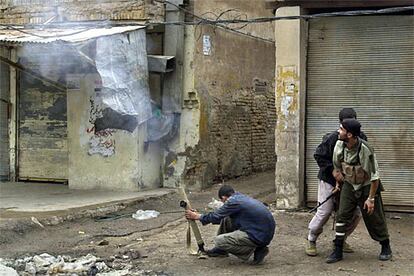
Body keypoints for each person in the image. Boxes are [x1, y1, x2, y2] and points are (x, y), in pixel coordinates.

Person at [327, 118, 392, 263]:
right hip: (349, 185)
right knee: (342, 215)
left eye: (341, 129)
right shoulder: (339, 145)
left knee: (374, 217)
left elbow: (375, 177)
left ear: (349, 134)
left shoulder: (365, 149)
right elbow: (337, 167)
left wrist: (371, 199)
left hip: (367, 186)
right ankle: (337, 250)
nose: (339, 131)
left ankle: (385, 245)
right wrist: (338, 181)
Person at [306, 108, 365, 256]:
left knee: (355, 213)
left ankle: (340, 240)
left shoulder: (362, 140)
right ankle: (311, 239)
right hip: (328, 180)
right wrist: (333, 171)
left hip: (350, 182)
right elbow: (319, 155)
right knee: (324, 211)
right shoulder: (332, 138)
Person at [185, 185, 276, 265]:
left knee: (219, 241)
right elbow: (220, 215)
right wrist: (200, 215)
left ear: (224, 198)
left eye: (223, 201)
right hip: (263, 231)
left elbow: (216, 216)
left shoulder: (233, 202)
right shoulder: (240, 197)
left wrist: (198, 216)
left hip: (258, 235)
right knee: (226, 218)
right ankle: (221, 251)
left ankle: (257, 249)